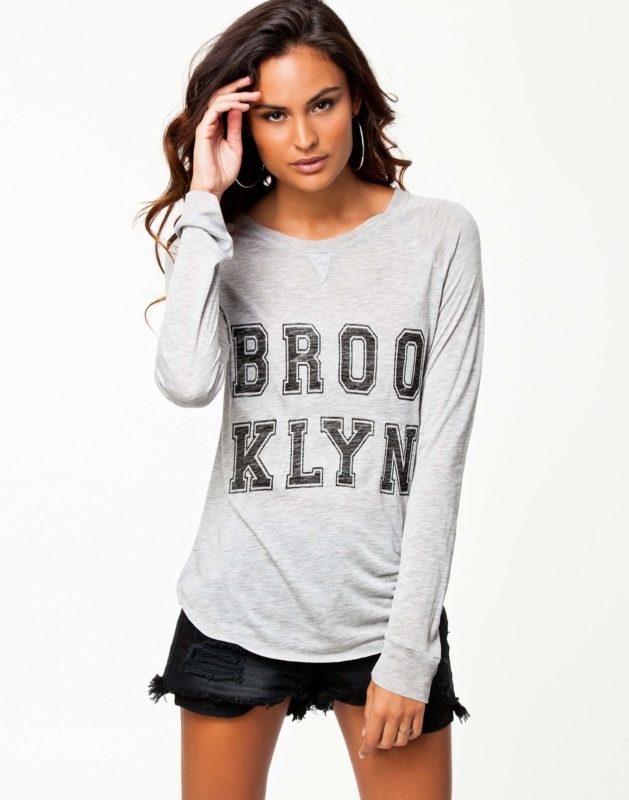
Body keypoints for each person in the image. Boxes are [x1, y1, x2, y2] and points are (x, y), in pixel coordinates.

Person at [141, 1, 484, 797]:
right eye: (273, 114)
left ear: (354, 98)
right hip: (235, 610)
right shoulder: (224, 242)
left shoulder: (439, 238)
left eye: (321, 104)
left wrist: (408, 650)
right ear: (243, 124)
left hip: (382, 622)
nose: (303, 137)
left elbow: (439, 458)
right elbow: (186, 381)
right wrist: (202, 203)